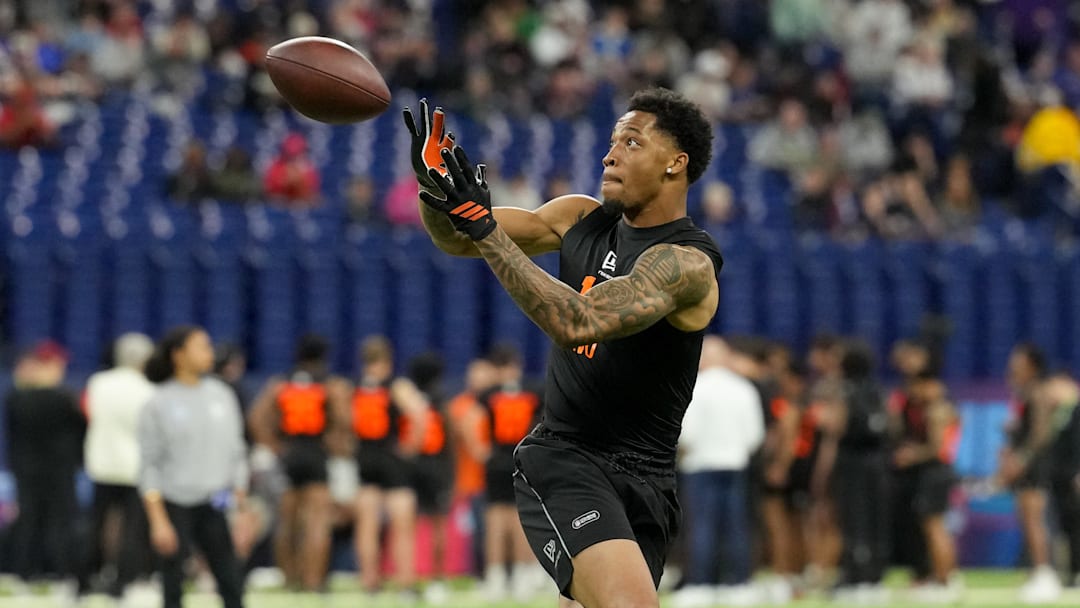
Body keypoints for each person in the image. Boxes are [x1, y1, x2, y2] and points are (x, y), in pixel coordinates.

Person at [405, 86, 724, 608]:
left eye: (632, 142)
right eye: (612, 140)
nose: (609, 153)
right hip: (567, 458)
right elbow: (457, 237)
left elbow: (579, 319)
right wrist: (435, 188)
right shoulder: (579, 218)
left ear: (676, 163)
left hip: (650, 479)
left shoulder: (687, 264)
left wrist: (482, 226)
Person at [138, 326, 248, 608]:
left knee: (230, 581)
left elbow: (236, 450)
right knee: (173, 586)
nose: (209, 353)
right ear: (179, 355)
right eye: (202, 346)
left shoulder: (222, 395)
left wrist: (238, 490)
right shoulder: (158, 402)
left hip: (215, 500)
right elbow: (149, 465)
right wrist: (158, 520)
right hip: (175, 503)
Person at [248, 334, 349, 591]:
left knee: (286, 524)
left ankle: (289, 579)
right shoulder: (330, 385)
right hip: (315, 454)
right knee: (317, 522)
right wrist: (335, 447)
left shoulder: (281, 384)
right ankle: (313, 581)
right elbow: (343, 420)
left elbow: (257, 417)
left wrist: (273, 445)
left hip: (289, 455)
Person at [672, 336, 764, 608]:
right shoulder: (744, 388)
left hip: (700, 465)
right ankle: (738, 584)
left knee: (702, 526)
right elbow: (754, 433)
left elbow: (686, 432)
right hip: (735, 464)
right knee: (736, 526)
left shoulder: (695, 387)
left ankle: (701, 584)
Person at [78, 333, 157, 601]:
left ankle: (84, 580)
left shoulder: (98, 383)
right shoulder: (148, 388)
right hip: (135, 468)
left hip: (101, 464)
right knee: (132, 530)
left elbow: (89, 415)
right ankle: (121, 584)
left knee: (95, 525)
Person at [350, 336, 429, 594]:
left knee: (366, 523)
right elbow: (419, 414)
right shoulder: (396, 385)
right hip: (390, 455)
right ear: (388, 359)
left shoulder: (356, 386)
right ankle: (405, 582)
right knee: (401, 523)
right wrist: (411, 447)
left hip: (365, 455)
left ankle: (369, 582)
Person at [4, 341, 84, 587]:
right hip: (59, 470)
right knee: (57, 520)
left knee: (31, 519)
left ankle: (25, 571)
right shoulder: (64, 398)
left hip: (26, 469)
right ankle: (59, 571)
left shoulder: (16, 398)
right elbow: (81, 431)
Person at [475, 344, 545, 602]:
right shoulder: (534, 391)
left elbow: (472, 423)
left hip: (496, 461)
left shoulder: (487, 395)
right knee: (520, 521)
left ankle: (495, 578)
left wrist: (481, 451)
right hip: (522, 459)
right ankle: (522, 576)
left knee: (495, 521)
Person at [822, 341, 891, 602]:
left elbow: (835, 427)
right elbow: (889, 426)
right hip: (877, 462)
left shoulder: (846, 391)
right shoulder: (878, 390)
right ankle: (875, 578)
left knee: (854, 521)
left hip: (852, 463)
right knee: (875, 520)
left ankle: (855, 578)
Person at [889, 371, 961, 602]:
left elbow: (937, 447)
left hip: (937, 472)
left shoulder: (937, 410)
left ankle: (946, 581)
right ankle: (940, 578)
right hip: (935, 472)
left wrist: (912, 455)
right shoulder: (934, 409)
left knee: (936, 527)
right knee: (932, 528)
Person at [998, 343, 1060, 603]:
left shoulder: (1038, 392)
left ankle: (1046, 573)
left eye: (1018, 361)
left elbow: (1041, 434)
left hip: (1034, 464)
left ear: (1032, 365)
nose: (1013, 364)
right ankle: (1037, 571)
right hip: (1024, 462)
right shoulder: (1023, 393)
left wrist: (1021, 459)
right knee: (1026, 519)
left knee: (1035, 520)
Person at [446, 358, 499, 577]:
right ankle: (476, 573)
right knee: (475, 531)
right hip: (468, 480)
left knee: (491, 529)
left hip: (494, 479)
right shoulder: (460, 407)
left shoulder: (499, 405)